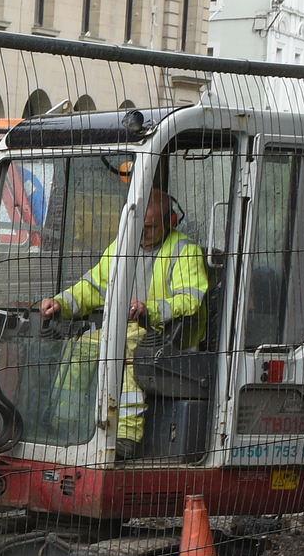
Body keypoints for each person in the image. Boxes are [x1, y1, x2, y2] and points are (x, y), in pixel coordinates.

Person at [40, 190, 209, 450]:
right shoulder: (121, 247)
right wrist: (60, 303)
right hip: (126, 327)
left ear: (171, 220)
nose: (142, 234)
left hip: (165, 334)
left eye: (150, 228)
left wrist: (149, 310)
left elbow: (190, 300)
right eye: (138, 227)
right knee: (81, 346)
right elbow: (93, 286)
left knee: (127, 351)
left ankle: (126, 436)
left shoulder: (185, 252)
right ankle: (66, 424)